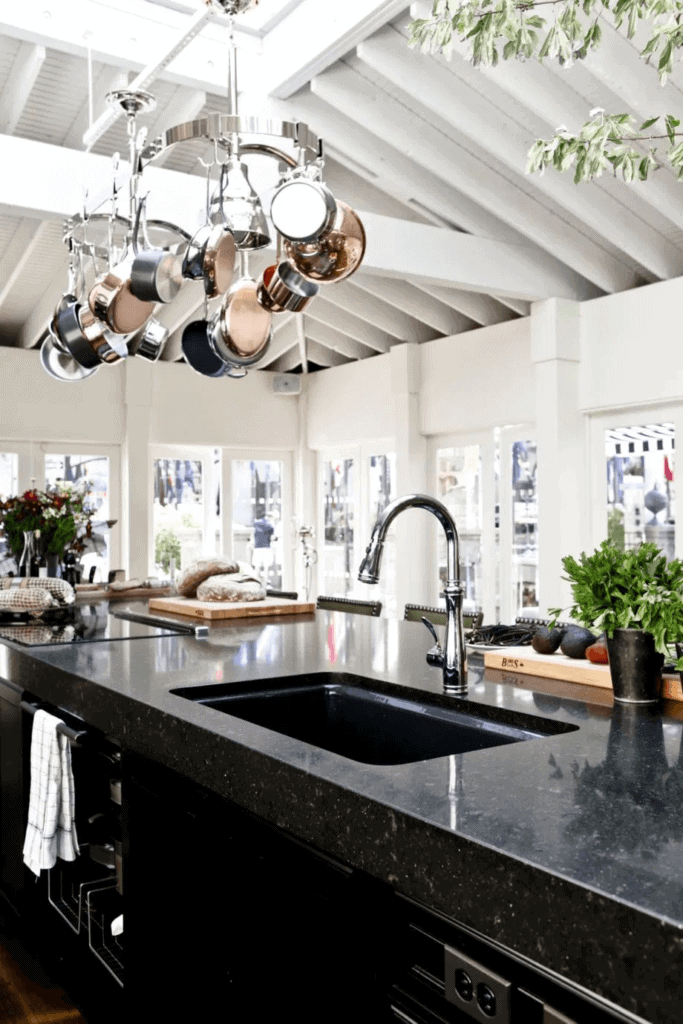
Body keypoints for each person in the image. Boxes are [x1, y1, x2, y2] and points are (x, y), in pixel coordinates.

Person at [252, 506, 275, 582]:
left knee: (257, 567)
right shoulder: (269, 524)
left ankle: (257, 582)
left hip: (258, 547)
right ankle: (265, 583)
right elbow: (272, 537)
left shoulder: (255, 524)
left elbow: (252, 536)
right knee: (266, 567)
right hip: (266, 547)